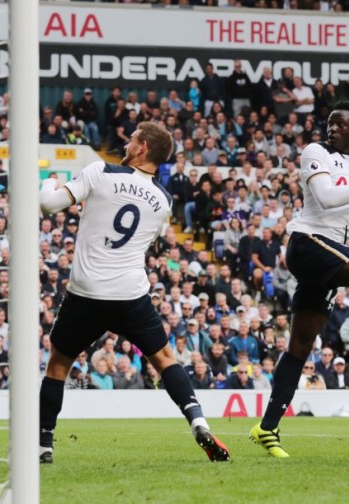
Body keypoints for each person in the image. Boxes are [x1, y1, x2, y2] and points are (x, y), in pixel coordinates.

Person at [37, 122, 229, 464]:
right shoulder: (163, 200)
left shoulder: (100, 171)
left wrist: (48, 181)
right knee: (166, 360)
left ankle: (43, 445)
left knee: (57, 367)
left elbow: (49, 205)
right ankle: (198, 421)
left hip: (87, 291)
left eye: (131, 139)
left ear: (142, 148)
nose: (126, 143)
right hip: (130, 293)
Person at [250, 101, 349, 458]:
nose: (332, 129)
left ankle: (267, 427)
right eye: (329, 123)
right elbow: (325, 198)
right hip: (308, 241)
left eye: (341, 124)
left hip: (330, 253)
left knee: (300, 345)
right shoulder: (316, 152)